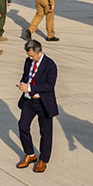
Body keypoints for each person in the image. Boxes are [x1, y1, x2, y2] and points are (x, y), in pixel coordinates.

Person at [16, 39, 58, 173]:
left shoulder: (50, 65)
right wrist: (23, 84)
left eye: (32, 55)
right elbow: (25, 75)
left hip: (43, 102)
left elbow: (49, 86)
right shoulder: (28, 61)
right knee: (23, 125)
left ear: (39, 52)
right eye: (28, 55)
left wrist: (30, 87)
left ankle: (43, 159)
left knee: (45, 132)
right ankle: (30, 154)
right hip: (29, 100)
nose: (30, 58)